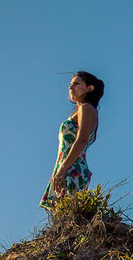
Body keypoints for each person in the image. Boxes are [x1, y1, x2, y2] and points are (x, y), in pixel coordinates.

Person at [41, 72, 103, 210]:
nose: (71, 88)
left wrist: (63, 169)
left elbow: (82, 140)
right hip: (68, 167)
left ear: (90, 88)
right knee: (62, 218)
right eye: (70, 85)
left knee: (68, 214)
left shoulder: (86, 109)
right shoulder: (83, 110)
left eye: (76, 83)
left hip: (72, 169)